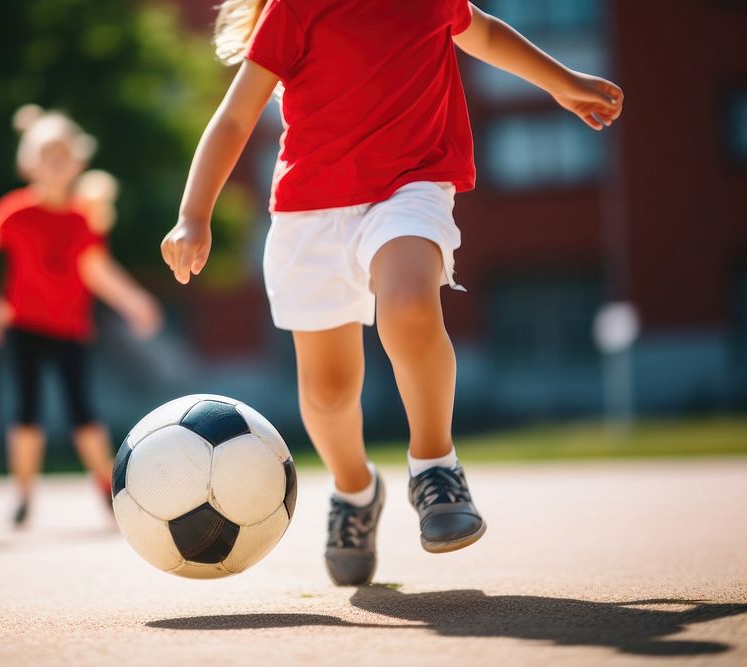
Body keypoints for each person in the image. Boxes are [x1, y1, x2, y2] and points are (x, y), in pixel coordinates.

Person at [161, 0, 623, 585]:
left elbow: (486, 36)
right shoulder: (293, 10)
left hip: (410, 186)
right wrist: (193, 213)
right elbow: (235, 116)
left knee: (407, 305)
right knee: (328, 392)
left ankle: (435, 467)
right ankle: (355, 491)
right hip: (310, 211)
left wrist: (564, 83)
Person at [0, 105, 161, 527]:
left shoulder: (81, 218)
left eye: (62, 155)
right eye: (46, 155)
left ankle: (105, 490)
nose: (54, 163)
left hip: (70, 328)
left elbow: (97, 271)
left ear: (77, 162)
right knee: (26, 413)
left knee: (83, 413)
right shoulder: (15, 210)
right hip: (24, 326)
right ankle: (22, 494)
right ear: (28, 162)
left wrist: (135, 301)